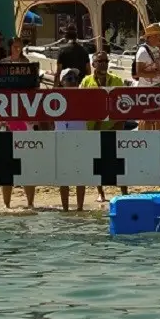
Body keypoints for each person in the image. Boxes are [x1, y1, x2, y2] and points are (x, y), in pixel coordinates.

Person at [81, 51, 129, 202]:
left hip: (114, 127)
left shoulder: (116, 80)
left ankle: (124, 192)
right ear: (93, 63)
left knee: (118, 162)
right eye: (100, 61)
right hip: (93, 129)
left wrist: (118, 125)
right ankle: (101, 193)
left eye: (106, 61)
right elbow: (79, 104)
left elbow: (125, 105)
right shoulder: (86, 81)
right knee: (98, 163)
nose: (103, 64)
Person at [55, 67, 87, 211]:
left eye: (75, 78)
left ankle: (80, 208)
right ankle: (65, 209)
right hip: (62, 139)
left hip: (80, 138)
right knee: (64, 176)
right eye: (69, 79)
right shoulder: (55, 99)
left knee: (80, 175)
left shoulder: (82, 96)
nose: (73, 81)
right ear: (62, 82)